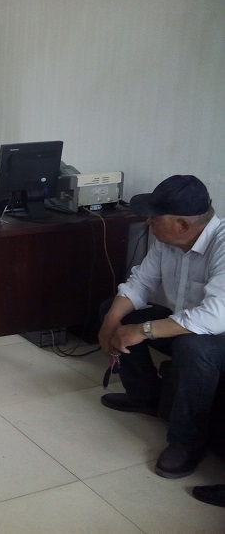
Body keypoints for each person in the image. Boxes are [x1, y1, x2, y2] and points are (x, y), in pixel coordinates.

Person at [98, 174, 225, 479]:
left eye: (155, 217)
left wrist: (144, 331)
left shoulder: (222, 245)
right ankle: (145, 397)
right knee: (116, 311)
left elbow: (216, 316)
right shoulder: (167, 242)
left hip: (217, 337)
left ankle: (187, 442)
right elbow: (140, 283)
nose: (148, 222)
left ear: (181, 224)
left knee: (192, 347)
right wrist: (110, 322)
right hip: (183, 326)